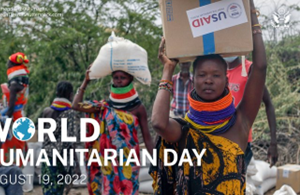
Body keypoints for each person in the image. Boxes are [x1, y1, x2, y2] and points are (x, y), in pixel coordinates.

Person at [150, 0, 266, 193]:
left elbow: (260, 68)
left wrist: (250, 11)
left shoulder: (240, 122)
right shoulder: (185, 130)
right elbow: (159, 123)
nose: (208, 80)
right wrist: (168, 69)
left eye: (216, 75)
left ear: (227, 80)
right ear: (193, 80)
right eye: (202, 75)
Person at [72, 68, 154, 195]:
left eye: (123, 77)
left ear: (130, 79)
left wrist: (158, 161)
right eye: (116, 78)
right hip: (108, 162)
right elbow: (76, 105)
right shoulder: (104, 107)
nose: (119, 81)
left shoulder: (138, 108)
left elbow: (147, 138)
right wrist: (86, 81)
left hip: (129, 161)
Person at [225, 56, 278, 168]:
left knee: (235, 181)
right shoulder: (217, 70)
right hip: (219, 136)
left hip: (240, 140)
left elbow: (268, 104)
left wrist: (273, 142)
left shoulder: (249, 69)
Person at [41, 81, 82, 195]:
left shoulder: (46, 112)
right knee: (59, 189)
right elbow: (70, 143)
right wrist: (76, 166)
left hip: (47, 157)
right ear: (70, 95)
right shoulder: (71, 114)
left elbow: (44, 138)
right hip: (62, 159)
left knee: (49, 189)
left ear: (57, 93)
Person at [0, 52, 30, 167]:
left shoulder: (13, 85)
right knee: (19, 147)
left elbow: (11, 108)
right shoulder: (22, 85)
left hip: (13, 119)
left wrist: (4, 123)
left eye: (9, 62)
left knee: (8, 147)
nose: (7, 64)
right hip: (20, 116)